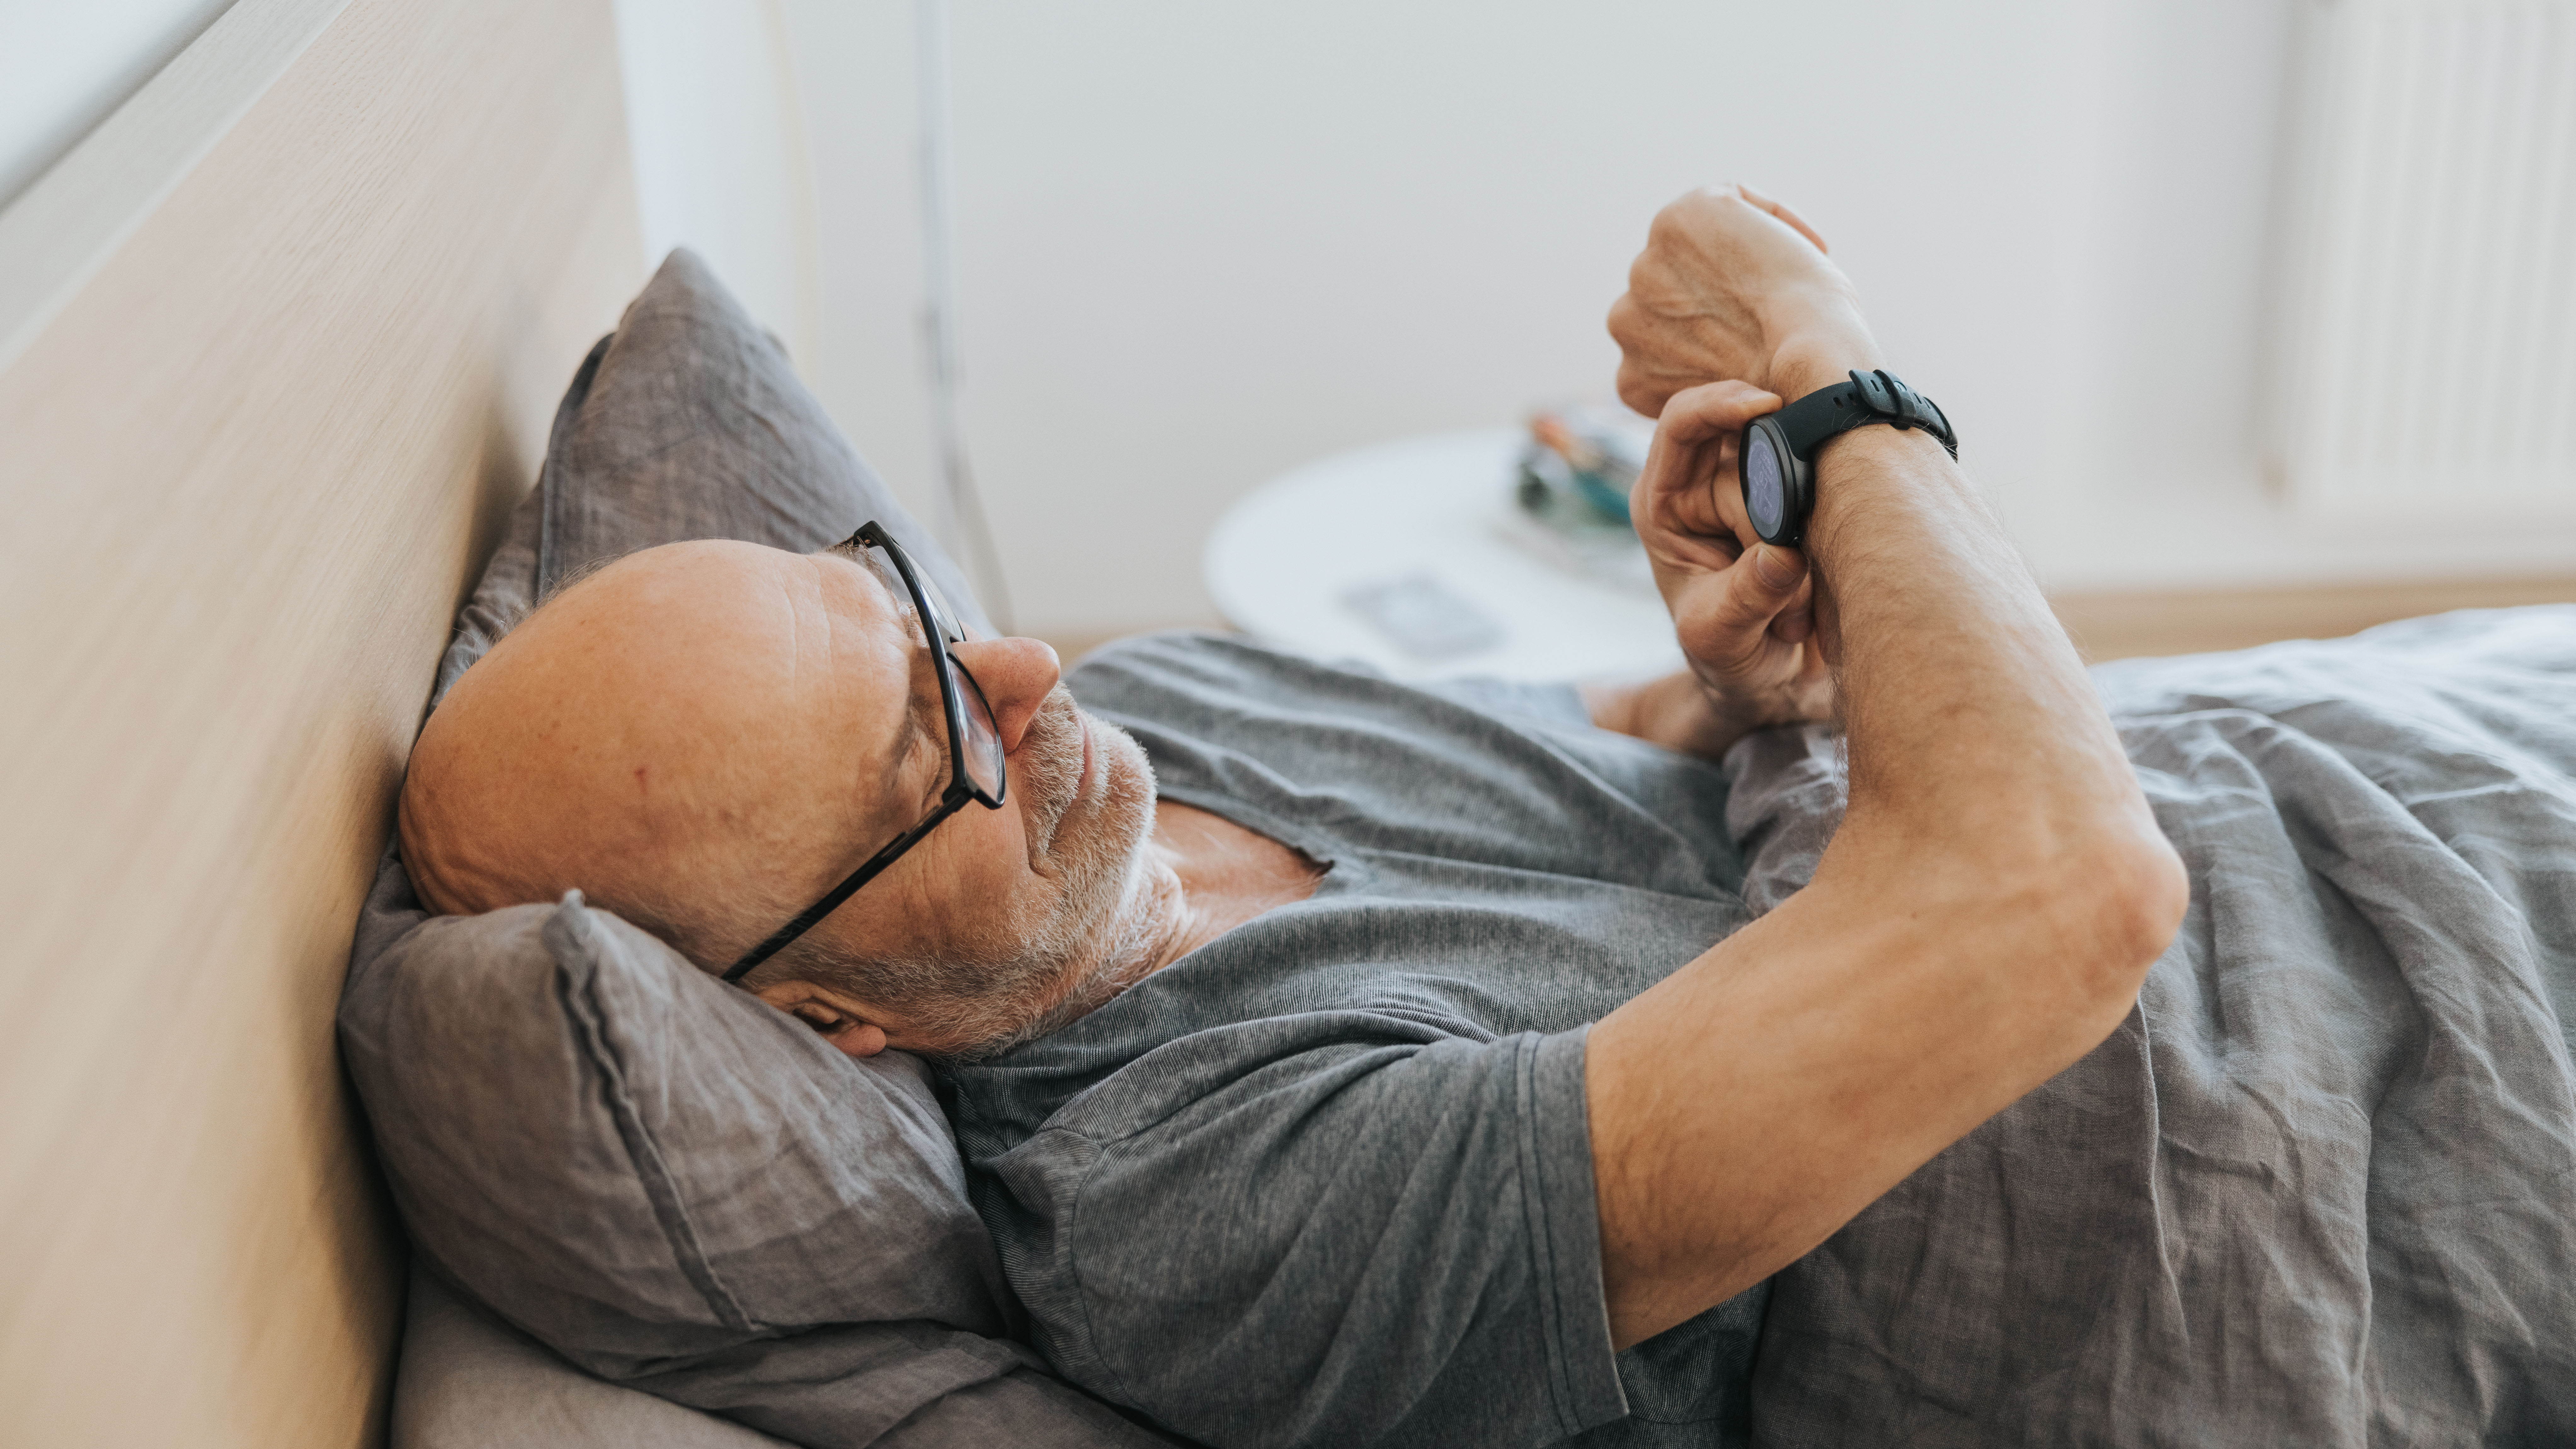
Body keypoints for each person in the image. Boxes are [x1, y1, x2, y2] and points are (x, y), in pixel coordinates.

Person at [397, 185, 2189, 1447]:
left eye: (917, 616)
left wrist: (1745, 676)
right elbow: (2063, 897)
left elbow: (1640, 729)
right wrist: (1838, 380)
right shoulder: (1181, 1215)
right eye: (928, 739)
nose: (1025, 667)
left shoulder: (1164, 702)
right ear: (828, 1018)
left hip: (2265, 788)